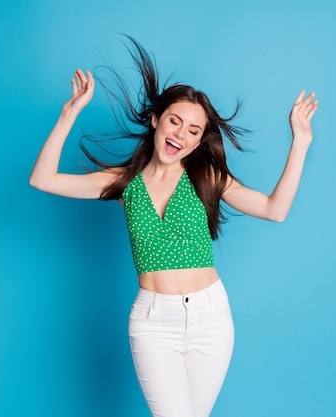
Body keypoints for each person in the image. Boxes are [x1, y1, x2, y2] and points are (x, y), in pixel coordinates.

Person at [29, 38, 317, 417]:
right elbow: (43, 179)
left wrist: (300, 143)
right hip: (153, 322)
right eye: (175, 121)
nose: (181, 135)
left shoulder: (207, 177)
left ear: (199, 142)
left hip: (211, 317)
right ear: (156, 120)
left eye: (194, 131)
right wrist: (68, 114)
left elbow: (273, 209)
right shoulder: (123, 183)